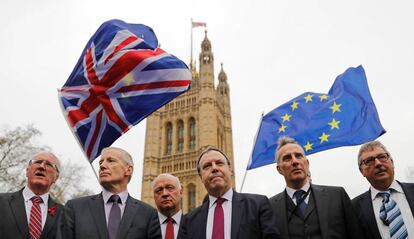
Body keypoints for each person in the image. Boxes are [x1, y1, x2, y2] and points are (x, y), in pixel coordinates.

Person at [269, 136, 363, 238]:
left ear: (307, 163)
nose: (295, 161)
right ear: (279, 169)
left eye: (299, 156)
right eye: (287, 158)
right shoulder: (269, 208)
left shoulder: (337, 196)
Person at [179, 146, 280, 239]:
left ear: (230, 170)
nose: (214, 168)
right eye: (207, 166)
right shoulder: (188, 220)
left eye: (219, 163)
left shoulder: (257, 205)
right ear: (201, 177)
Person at [59, 147, 161, 239]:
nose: (102, 166)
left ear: (128, 170)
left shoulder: (148, 214)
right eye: (101, 163)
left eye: (111, 161)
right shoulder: (75, 208)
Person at [352, 140, 414, 239]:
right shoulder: (353, 208)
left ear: (392, 162)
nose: (378, 163)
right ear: (362, 171)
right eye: (369, 161)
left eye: (382, 157)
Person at [0, 151, 63, 239]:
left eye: (49, 164)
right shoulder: (2, 202)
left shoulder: (64, 214)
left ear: (56, 177)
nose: (41, 167)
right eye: (37, 162)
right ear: (27, 171)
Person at [152, 173, 184, 239]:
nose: (164, 194)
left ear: (181, 192)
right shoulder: (143, 227)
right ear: (153, 196)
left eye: (170, 188)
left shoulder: (196, 224)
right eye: (159, 190)